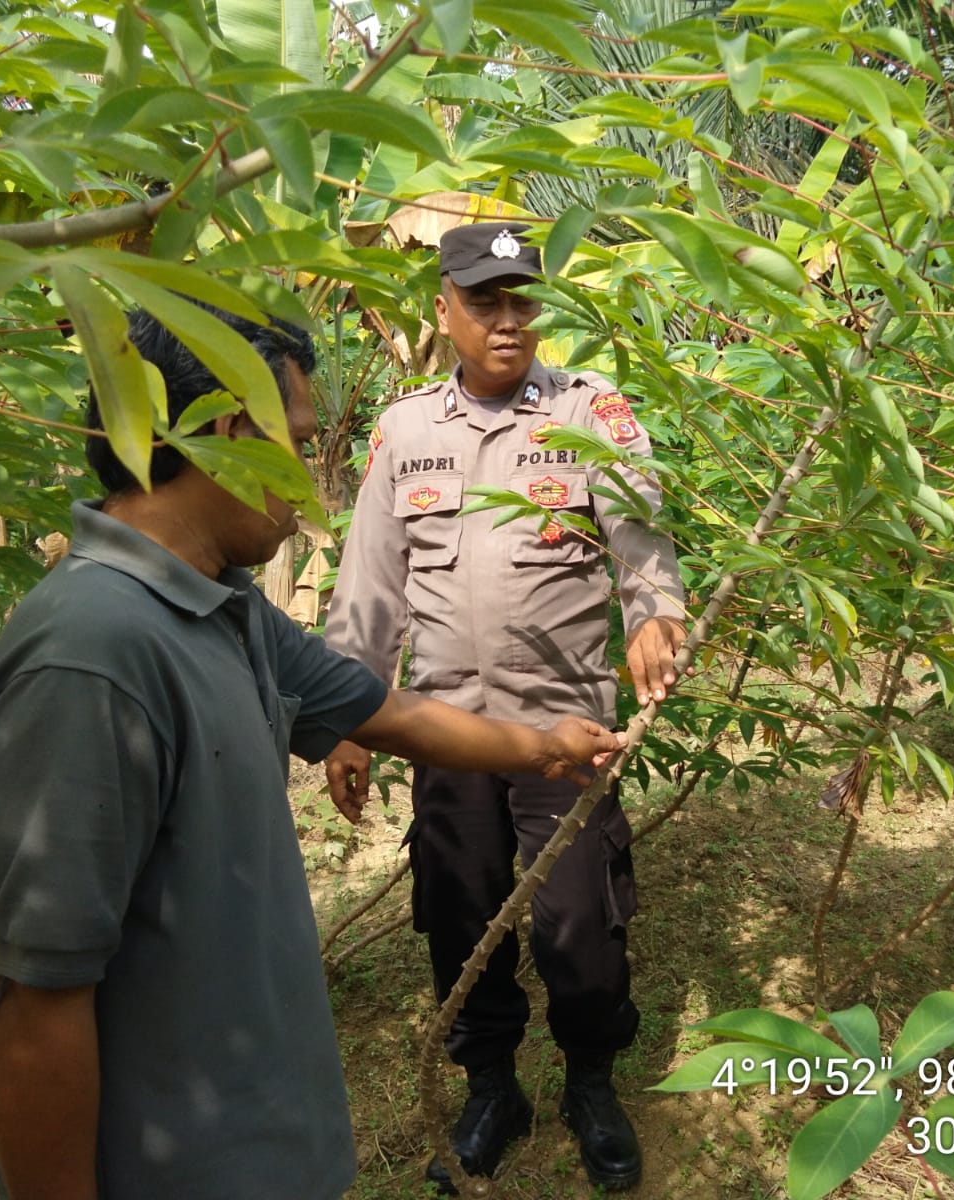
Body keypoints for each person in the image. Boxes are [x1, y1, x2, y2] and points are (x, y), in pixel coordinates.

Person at [0, 301, 625, 1200]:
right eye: (304, 445)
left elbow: (387, 712)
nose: (313, 481)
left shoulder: (223, 607)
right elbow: (37, 1009)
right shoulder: (91, 659)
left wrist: (543, 746)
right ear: (231, 433)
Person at [322, 223, 688, 1193]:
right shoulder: (406, 432)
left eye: (523, 298)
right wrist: (349, 722)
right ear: (443, 308)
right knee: (457, 909)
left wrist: (656, 617)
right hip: (446, 731)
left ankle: (590, 1080)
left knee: (580, 920)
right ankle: (491, 1087)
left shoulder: (589, 413)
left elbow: (643, 547)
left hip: (566, 730)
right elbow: (369, 586)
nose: (508, 319)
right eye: (484, 301)